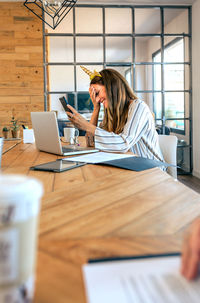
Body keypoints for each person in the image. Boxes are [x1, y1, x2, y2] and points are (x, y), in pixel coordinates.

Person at [66, 67, 163, 161]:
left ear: (111, 87)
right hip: (130, 165)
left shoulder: (138, 106)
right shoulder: (111, 113)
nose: (97, 99)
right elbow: (91, 143)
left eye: (98, 93)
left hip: (151, 169)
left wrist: (86, 125)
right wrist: (96, 108)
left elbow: (124, 144)